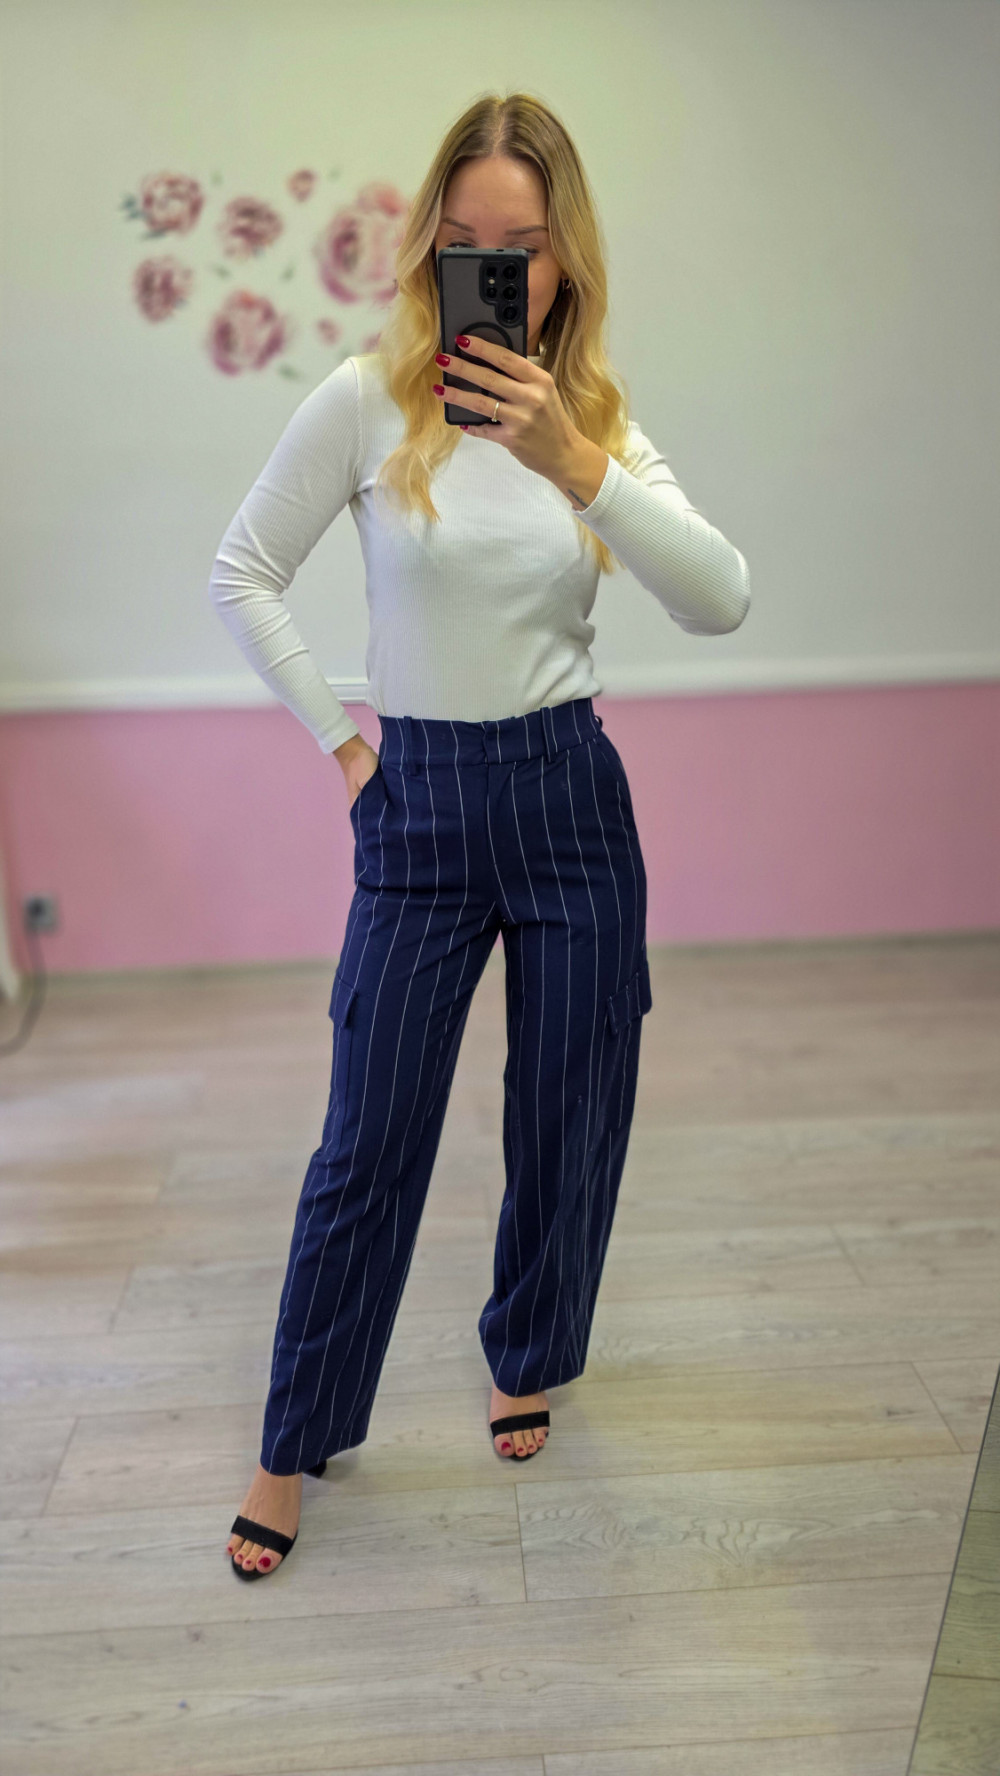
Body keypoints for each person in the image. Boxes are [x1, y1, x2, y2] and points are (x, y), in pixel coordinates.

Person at [209, 92, 750, 1578]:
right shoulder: (364, 402)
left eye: (520, 247)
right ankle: (292, 1440)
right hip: (423, 808)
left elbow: (722, 598)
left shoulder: (599, 427)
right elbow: (242, 570)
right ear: (427, 247)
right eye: (464, 242)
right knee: (367, 1142)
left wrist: (577, 462)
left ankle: (529, 1351)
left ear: (566, 260)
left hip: (571, 799)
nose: (491, 271)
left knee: (571, 1115)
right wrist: (345, 743)